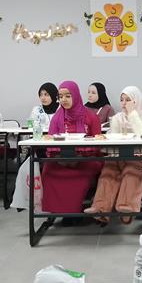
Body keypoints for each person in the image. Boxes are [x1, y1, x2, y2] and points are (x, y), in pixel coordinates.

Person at [84, 86, 142, 224]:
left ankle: (127, 208)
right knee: (108, 170)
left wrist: (132, 114)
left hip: (139, 156)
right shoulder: (117, 118)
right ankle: (100, 207)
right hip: (118, 156)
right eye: (122, 100)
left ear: (136, 101)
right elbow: (114, 141)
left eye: (128, 100)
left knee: (131, 171)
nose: (124, 103)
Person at [41, 81, 102, 214]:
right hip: (61, 158)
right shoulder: (57, 118)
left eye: (68, 96)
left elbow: (98, 143)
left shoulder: (91, 116)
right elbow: (51, 143)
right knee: (48, 169)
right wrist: (63, 157)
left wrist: (79, 155)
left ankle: (73, 212)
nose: (64, 100)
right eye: (61, 96)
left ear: (76, 95)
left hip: (86, 159)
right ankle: (56, 211)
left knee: (81, 173)